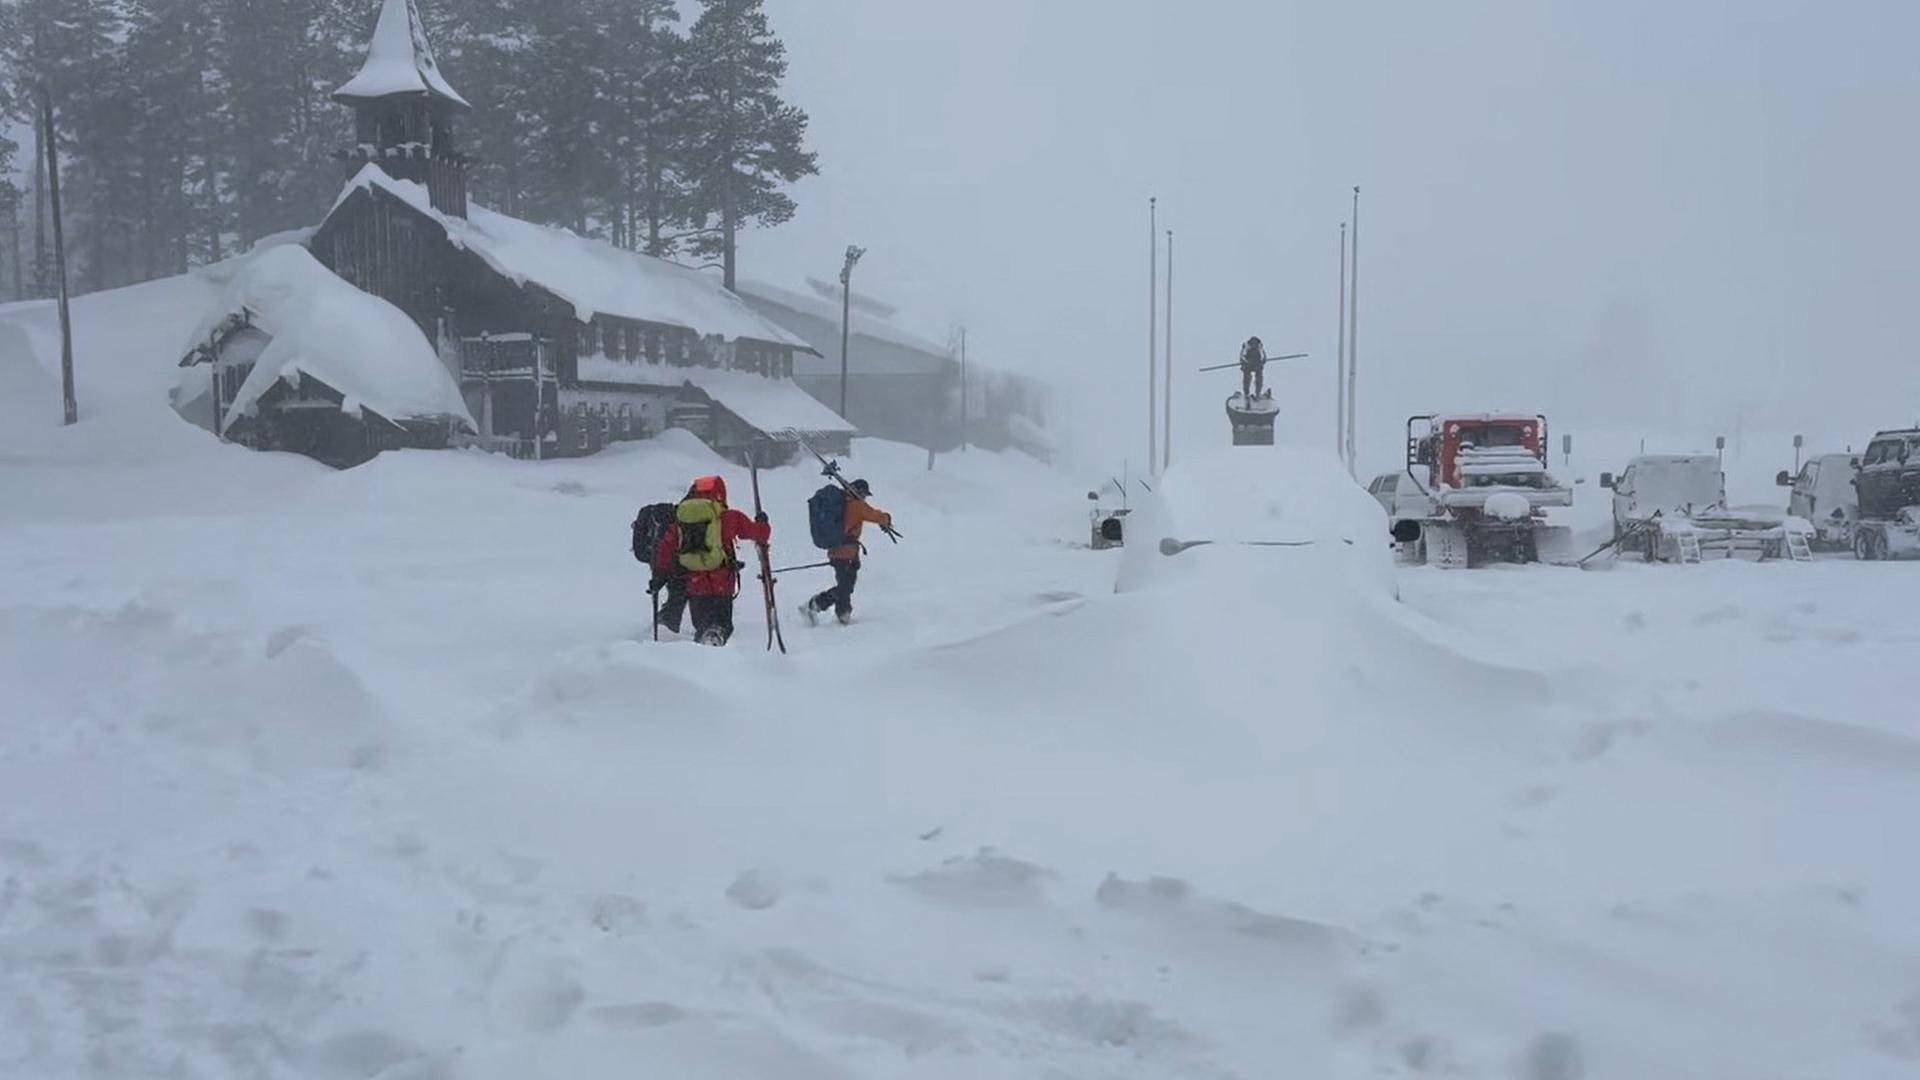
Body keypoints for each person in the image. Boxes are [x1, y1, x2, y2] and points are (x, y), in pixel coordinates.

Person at [652, 475, 771, 646]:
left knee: (701, 624)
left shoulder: (681, 518)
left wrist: (659, 574)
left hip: (694, 583)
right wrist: (762, 522)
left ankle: (701, 654)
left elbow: (666, 547)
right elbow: (760, 534)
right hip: (722, 582)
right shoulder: (728, 517)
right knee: (722, 624)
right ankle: (716, 643)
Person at [801, 479, 891, 626]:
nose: (865, 498)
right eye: (864, 495)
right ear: (860, 492)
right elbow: (874, 515)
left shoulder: (844, 503)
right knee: (845, 587)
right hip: (846, 553)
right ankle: (838, 614)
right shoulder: (856, 505)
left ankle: (821, 607)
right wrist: (887, 518)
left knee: (845, 586)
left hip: (838, 551)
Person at [1239, 336, 1269, 400]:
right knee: (1247, 378)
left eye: (1255, 344)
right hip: (1248, 365)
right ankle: (1246, 394)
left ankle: (1258, 393)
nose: (1254, 345)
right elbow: (1242, 357)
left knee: (1259, 378)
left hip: (1257, 365)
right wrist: (1247, 362)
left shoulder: (1260, 347)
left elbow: (1264, 358)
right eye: (1253, 344)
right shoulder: (1246, 347)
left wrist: (1260, 362)